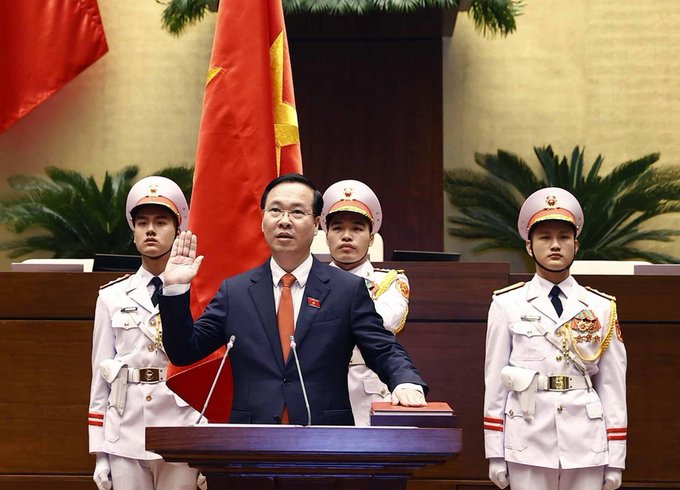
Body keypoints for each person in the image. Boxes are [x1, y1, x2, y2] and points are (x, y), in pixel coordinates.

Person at [159, 173, 427, 426]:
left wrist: (406, 382)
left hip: (325, 439)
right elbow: (184, 351)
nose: (284, 221)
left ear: (316, 224)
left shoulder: (346, 290)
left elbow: (383, 349)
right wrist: (175, 289)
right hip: (251, 440)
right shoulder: (235, 292)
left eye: (297, 212)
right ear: (262, 220)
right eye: (275, 210)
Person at [483, 187, 627, 490]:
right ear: (529, 246)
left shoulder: (601, 306)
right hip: (527, 434)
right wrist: (495, 452)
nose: (555, 245)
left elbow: (613, 386)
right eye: (545, 237)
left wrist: (616, 457)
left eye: (564, 237)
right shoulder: (507, 304)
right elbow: (495, 382)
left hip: (586, 439)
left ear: (576, 245)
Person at [88, 176, 205, 490]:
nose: (150, 230)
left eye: (161, 222)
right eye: (142, 223)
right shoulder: (111, 296)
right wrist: (100, 452)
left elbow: (211, 371)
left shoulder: (198, 292)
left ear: (178, 230)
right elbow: (101, 374)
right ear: (133, 231)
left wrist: (210, 440)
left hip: (182, 426)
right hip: (126, 430)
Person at [321, 179, 410, 426]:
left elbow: (383, 323)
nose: (346, 236)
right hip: (321, 386)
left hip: (369, 389)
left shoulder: (390, 281)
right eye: (337, 228)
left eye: (357, 229)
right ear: (326, 236)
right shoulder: (308, 281)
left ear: (371, 238)